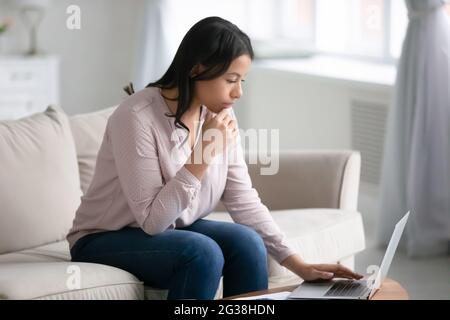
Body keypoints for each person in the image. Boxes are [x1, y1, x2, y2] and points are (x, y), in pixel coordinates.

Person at [67, 16, 362, 300]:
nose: (238, 92)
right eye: (231, 79)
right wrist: (205, 151)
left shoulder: (219, 114)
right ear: (197, 69)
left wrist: (297, 264)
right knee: (202, 252)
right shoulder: (135, 117)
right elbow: (152, 222)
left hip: (175, 228)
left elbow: (243, 199)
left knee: (247, 243)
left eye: (242, 80)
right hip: (102, 238)